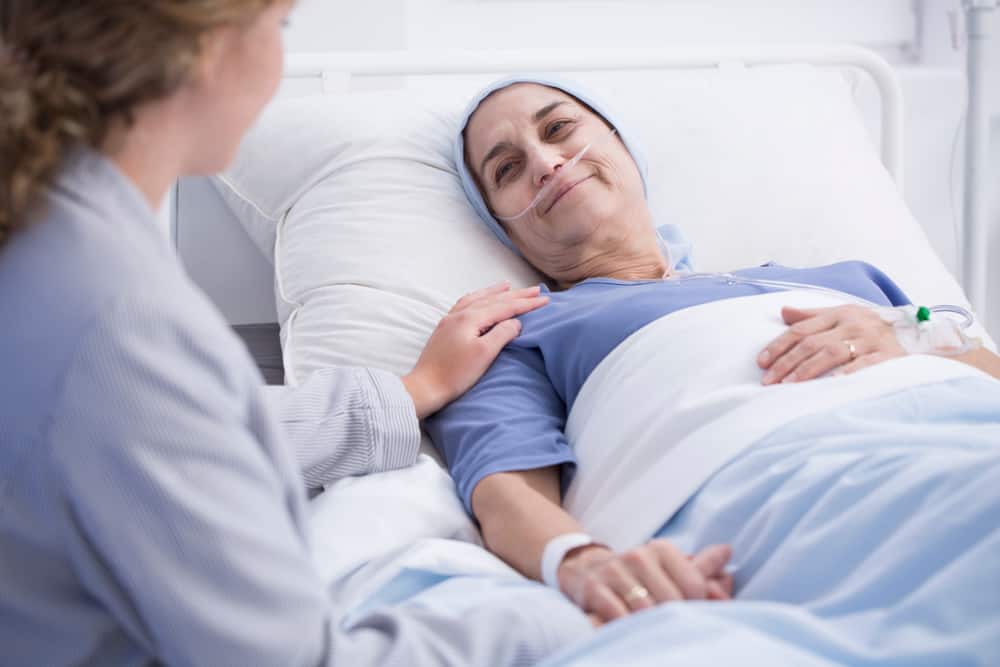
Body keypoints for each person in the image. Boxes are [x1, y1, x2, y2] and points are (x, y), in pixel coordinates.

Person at [0, 4, 595, 665]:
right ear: (207, 49)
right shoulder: (119, 324)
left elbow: (187, 431)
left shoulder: (56, 255)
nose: (550, 167)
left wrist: (409, 389)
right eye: (280, 27)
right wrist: (561, 620)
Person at [425, 76, 1000, 660]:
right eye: (507, 170)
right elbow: (502, 488)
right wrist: (584, 563)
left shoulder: (848, 280)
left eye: (558, 130)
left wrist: (911, 333)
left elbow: (986, 367)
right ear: (505, 228)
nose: (546, 164)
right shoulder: (517, 332)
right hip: (798, 485)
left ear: (623, 146)